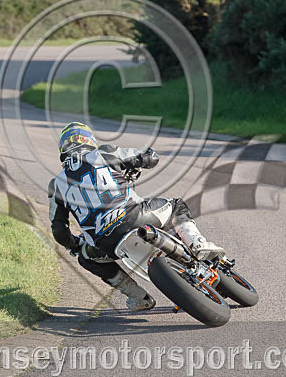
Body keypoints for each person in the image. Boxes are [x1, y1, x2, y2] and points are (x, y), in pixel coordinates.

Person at [47, 122, 225, 311]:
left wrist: (75, 244)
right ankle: (197, 243)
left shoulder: (55, 185)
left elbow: (59, 231)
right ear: (88, 140)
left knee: (85, 258)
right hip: (137, 217)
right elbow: (149, 158)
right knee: (176, 205)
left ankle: (137, 296)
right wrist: (146, 159)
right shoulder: (102, 153)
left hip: (105, 242)